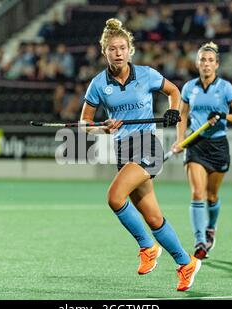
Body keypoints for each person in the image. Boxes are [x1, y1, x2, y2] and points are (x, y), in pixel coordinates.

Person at [80, 18, 201, 292]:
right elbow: (86, 125)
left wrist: (174, 109)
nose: (118, 52)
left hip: (147, 145)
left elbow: (174, 91)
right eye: (113, 49)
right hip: (123, 150)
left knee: (114, 197)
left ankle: (147, 247)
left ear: (130, 50)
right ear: (105, 52)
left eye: (123, 47)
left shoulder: (146, 74)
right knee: (153, 218)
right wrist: (103, 127)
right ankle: (185, 263)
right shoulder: (98, 85)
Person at [172, 42, 232, 259]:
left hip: (218, 146)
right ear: (197, 63)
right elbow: (182, 116)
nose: (206, 64)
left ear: (217, 65)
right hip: (196, 145)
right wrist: (180, 140)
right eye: (202, 60)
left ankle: (211, 228)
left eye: (210, 60)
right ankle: (199, 242)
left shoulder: (226, 88)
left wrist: (223, 116)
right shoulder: (189, 88)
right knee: (198, 193)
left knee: (212, 196)